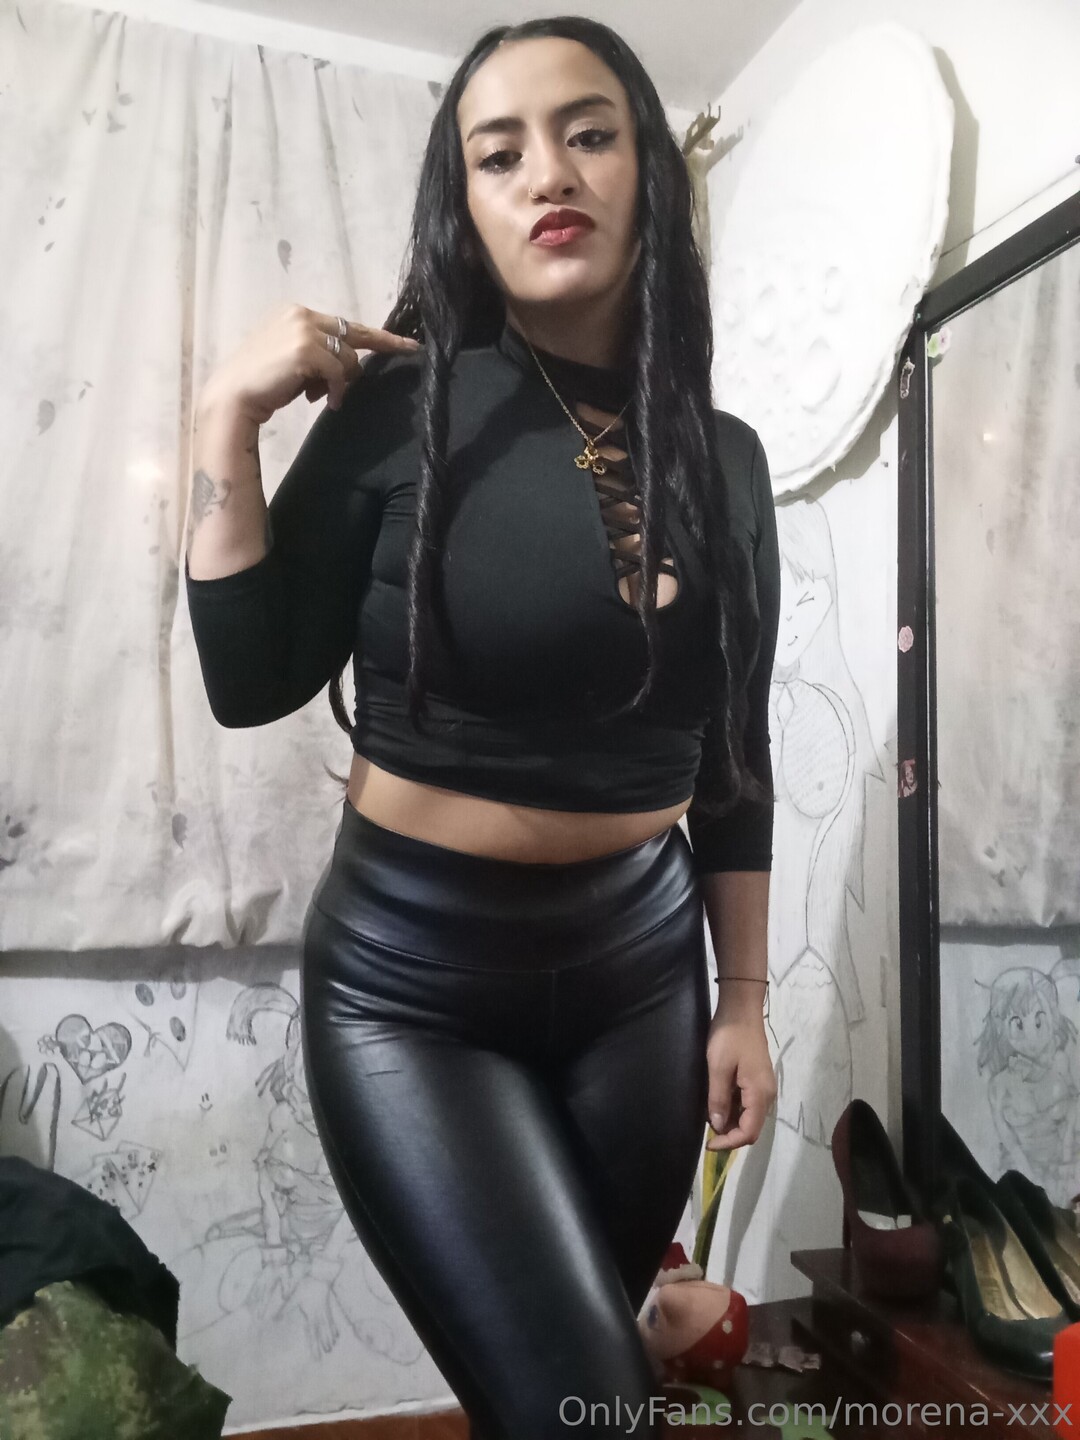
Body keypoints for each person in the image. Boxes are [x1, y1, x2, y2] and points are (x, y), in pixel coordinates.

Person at [184, 17, 780, 1439]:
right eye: (497, 154)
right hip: (416, 985)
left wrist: (744, 1000)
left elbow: (735, 759)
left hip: (644, 978)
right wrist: (223, 420)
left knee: (577, 1396)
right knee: (585, 1409)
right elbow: (251, 680)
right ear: (465, 206)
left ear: (648, 173)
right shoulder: (404, 409)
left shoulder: (728, 457)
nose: (547, 174)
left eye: (589, 133)